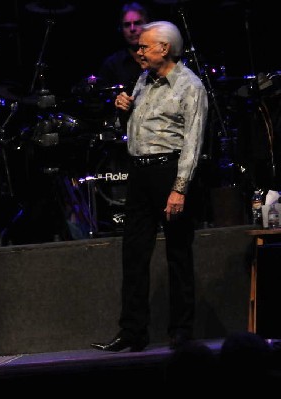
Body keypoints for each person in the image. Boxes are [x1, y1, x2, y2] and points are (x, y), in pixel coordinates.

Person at [90, 20, 209, 352]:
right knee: (134, 254)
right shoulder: (143, 79)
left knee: (178, 254)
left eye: (144, 46)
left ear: (164, 48)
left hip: (169, 171)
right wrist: (123, 111)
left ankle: (182, 330)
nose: (138, 51)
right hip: (140, 173)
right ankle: (132, 332)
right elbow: (141, 129)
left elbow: (193, 142)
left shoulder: (189, 86)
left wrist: (179, 188)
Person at [98, 2, 150, 91]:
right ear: (121, 29)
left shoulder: (159, 56)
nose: (132, 29)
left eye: (137, 23)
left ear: (147, 25)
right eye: (127, 25)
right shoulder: (112, 64)